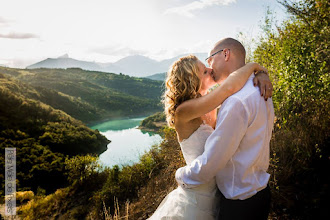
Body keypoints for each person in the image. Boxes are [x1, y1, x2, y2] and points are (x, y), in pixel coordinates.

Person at [148, 52, 272, 219]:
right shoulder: (184, 111)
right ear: (192, 79)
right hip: (197, 194)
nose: (210, 69)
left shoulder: (209, 103)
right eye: (204, 71)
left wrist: (262, 75)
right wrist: (254, 66)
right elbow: (229, 87)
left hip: (219, 191)